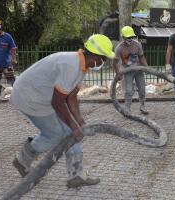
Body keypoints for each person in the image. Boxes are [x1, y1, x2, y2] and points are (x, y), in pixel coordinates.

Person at [10, 34, 115, 188]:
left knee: (71, 133)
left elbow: (71, 97)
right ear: (94, 56)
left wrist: (80, 122)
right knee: (55, 134)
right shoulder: (71, 65)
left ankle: (76, 175)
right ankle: (23, 160)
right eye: (104, 58)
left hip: (40, 96)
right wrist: (73, 126)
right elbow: (58, 102)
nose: (104, 63)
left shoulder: (81, 65)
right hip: (30, 97)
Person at [113, 26, 149, 114]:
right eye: (128, 37)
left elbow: (141, 57)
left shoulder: (137, 45)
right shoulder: (119, 48)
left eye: (131, 37)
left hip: (139, 70)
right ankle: (127, 108)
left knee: (142, 89)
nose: (130, 39)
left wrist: (147, 67)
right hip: (127, 71)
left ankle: (143, 106)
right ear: (123, 37)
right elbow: (115, 62)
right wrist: (118, 74)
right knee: (129, 90)